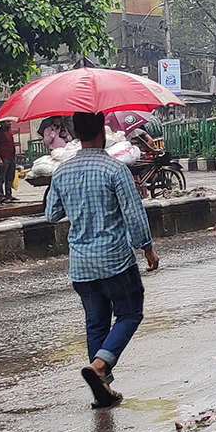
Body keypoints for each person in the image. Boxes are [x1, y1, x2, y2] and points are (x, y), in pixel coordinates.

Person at [43, 112, 159, 408]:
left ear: (76, 133)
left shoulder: (62, 171)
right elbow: (134, 213)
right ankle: (101, 366)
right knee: (130, 313)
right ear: (102, 131)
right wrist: (146, 247)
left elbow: (51, 214)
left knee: (96, 323)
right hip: (115, 260)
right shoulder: (114, 169)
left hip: (81, 265)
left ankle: (103, 390)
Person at [0, 121, 18, 203]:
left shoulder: (9, 132)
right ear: (2, 123)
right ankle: (1, 196)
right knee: (1, 178)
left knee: (10, 177)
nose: (10, 123)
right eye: (7, 122)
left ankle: (8, 194)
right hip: (3, 158)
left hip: (11, 158)